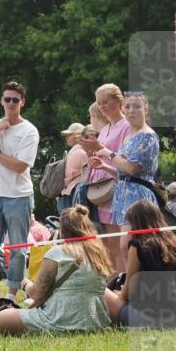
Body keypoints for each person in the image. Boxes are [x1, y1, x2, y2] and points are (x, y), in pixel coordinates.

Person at [0, 205, 112, 335]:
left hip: (58, 320)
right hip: (95, 323)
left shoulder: (58, 252)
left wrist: (24, 283)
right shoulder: (99, 254)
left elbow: (36, 293)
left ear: (63, 230)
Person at [0, 81, 40, 302]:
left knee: (18, 249)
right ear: (1, 101)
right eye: (7, 99)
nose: (11, 103)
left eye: (15, 100)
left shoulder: (29, 130)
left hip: (19, 196)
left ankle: (12, 293)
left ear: (22, 102)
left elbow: (20, 165)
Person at [104, 200, 176, 329]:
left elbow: (127, 293)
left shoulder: (137, 246)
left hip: (146, 319)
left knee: (101, 291)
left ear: (135, 224)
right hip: (175, 321)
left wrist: (120, 294)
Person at [87, 92, 160, 240]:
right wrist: (104, 166)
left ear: (145, 109)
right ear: (123, 109)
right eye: (128, 106)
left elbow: (132, 169)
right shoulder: (129, 136)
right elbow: (124, 174)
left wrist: (108, 153)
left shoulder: (147, 135)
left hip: (138, 198)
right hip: (123, 197)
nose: (131, 110)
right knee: (125, 247)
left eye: (137, 106)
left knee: (133, 245)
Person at [78, 84, 131, 272]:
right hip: (99, 190)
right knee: (107, 245)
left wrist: (100, 151)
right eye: (99, 103)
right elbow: (102, 153)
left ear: (118, 101)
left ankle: (121, 282)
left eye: (105, 102)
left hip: (116, 188)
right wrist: (91, 153)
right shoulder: (107, 128)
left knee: (118, 245)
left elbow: (124, 159)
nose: (102, 107)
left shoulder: (126, 126)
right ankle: (112, 282)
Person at [57, 123, 89, 214]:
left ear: (78, 135)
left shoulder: (72, 153)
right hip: (73, 195)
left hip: (65, 195)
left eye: (69, 135)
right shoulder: (82, 153)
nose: (66, 137)